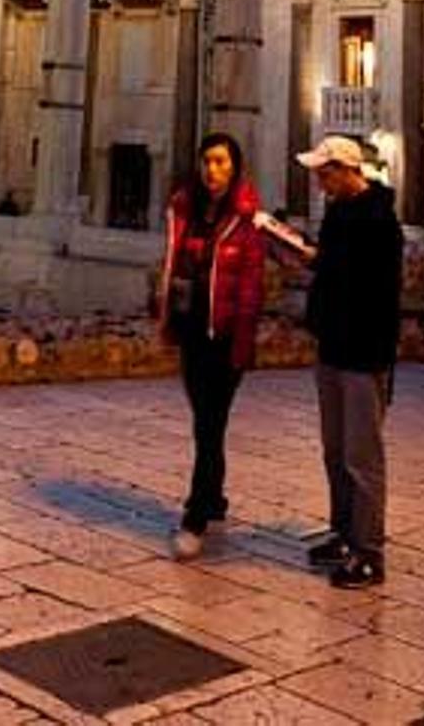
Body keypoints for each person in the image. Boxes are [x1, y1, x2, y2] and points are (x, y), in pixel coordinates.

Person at [257, 134, 403, 588]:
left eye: (325, 173)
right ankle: (344, 533)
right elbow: (333, 265)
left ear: (346, 169)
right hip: (334, 344)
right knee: (335, 449)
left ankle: (369, 552)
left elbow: (370, 285)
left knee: (363, 455)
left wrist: (314, 259)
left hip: (363, 350)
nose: (319, 182)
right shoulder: (340, 214)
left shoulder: (379, 221)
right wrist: (296, 253)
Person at [160, 131, 264, 560]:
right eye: (207, 161)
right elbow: (174, 265)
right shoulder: (185, 210)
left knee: (208, 423)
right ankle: (215, 497)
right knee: (207, 422)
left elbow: (251, 288)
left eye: (221, 162)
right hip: (191, 330)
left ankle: (195, 517)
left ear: (235, 167)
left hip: (223, 338)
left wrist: (242, 343)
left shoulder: (246, 219)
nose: (212, 170)